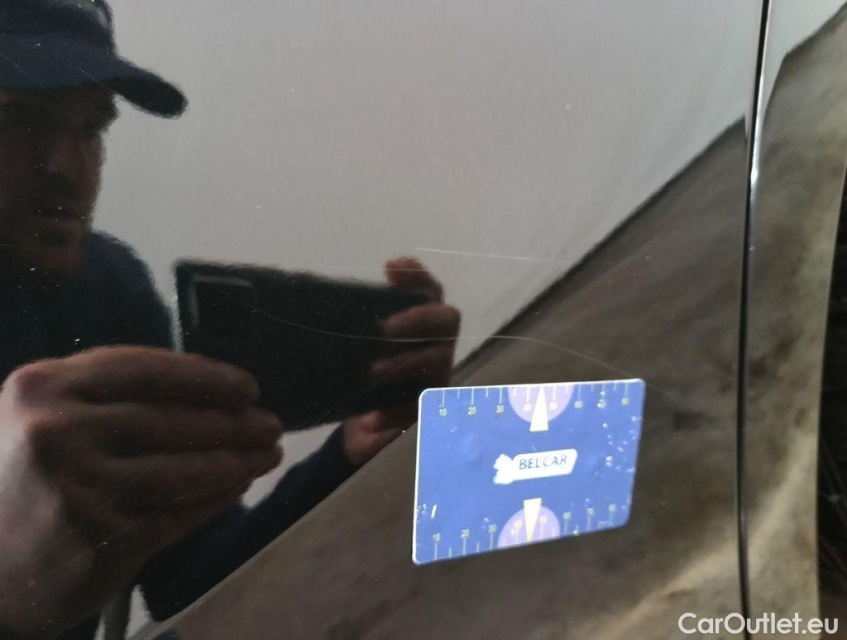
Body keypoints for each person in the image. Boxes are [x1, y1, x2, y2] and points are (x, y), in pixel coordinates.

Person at [0, 1, 460, 638]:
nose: (67, 169)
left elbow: (185, 573)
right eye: (20, 120)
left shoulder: (105, 289)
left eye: (93, 128)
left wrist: (351, 449)